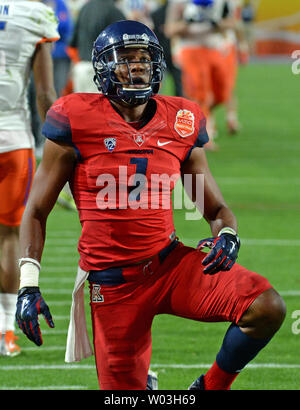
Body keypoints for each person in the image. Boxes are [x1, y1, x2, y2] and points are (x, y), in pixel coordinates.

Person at [15, 20, 286, 390]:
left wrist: (227, 236)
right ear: (103, 68)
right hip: (113, 285)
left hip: (168, 265)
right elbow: (36, 211)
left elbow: (215, 209)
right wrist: (29, 286)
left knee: (265, 306)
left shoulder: (181, 120)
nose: (138, 66)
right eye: (126, 58)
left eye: (144, 58)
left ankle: (209, 389)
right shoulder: (75, 118)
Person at [0, 0, 59, 356]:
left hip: (13, 137)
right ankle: (5, 332)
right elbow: (45, 94)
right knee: (8, 238)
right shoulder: (34, 13)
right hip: (12, 140)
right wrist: (59, 151)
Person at [164, 0, 244, 148]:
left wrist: (215, 23)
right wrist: (188, 22)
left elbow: (232, 23)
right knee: (199, 94)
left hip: (216, 48)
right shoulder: (178, 2)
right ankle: (205, 135)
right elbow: (170, 29)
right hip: (191, 49)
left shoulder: (221, 2)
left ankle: (206, 119)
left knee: (223, 93)